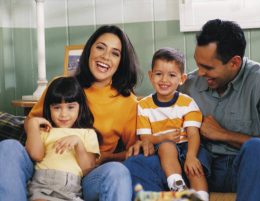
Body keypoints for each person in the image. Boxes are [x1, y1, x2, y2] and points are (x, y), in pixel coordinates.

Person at [124, 19, 260, 201]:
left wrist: (224, 134)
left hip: (243, 169)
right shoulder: (188, 85)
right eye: (198, 64)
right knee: (137, 163)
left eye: (207, 67)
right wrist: (145, 142)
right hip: (196, 165)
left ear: (234, 63)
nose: (199, 73)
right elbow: (161, 114)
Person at [0, 25, 152, 201]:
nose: (105, 56)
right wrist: (31, 123)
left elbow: (131, 152)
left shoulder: (128, 103)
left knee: (118, 172)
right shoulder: (61, 84)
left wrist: (102, 157)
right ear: (89, 50)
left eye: (115, 53)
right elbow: (32, 120)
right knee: (8, 147)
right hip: (42, 169)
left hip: (86, 175)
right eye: (100, 47)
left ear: (121, 62)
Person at [137, 47, 208, 201]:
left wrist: (191, 156)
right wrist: (163, 137)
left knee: (195, 169)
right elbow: (145, 138)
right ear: (151, 75)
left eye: (171, 75)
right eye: (158, 74)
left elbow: (193, 133)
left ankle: (201, 197)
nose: (164, 80)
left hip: (189, 146)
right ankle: (179, 189)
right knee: (167, 146)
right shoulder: (143, 105)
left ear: (181, 79)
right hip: (163, 151)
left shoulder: (187, 103)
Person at [26, 77, 100, 201]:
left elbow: (88, 168)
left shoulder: (88, 133)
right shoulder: (45, 131)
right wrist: (33, 124)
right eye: (57, 107)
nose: (64, 114)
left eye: (70, 107)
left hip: (71, 190)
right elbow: (36, 155)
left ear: (80, 107)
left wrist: (79, 143)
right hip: (42, 185)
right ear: (49, 108)